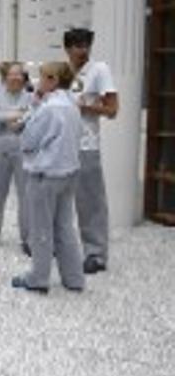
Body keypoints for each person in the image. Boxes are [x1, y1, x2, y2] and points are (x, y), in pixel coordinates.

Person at [11, 61, 85, 294]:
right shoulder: (72, 105)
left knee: (41, 228)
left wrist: (28, 118)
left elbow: (28, 141)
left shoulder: (49, 108)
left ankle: (39, 278)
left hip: (46, 175)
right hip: (69, 173)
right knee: (65, 226)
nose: (38, 82)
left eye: (42, 77)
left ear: (53, 80)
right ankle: (74, 278)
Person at [64, 28, 118, 274]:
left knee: (91, 201)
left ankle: (95, 253)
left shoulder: (99, 70)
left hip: (86, 145)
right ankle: (63, 247)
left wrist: (86, 106)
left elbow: (113, 109)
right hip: (61, 145)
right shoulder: (62, 73)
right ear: (68, 48)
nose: (82, 49)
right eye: (77, 45)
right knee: (60, 199)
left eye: (86, 44)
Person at [0, 62, 33, 252]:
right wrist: (16, 115)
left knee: (25, 194)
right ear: (5, 77)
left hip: (23, 148)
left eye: (20, 75)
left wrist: (13, 117)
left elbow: (32, 114)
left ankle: (27, 237)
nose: (16, 78)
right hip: (0, 147)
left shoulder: (30, 96)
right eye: (13, 74)